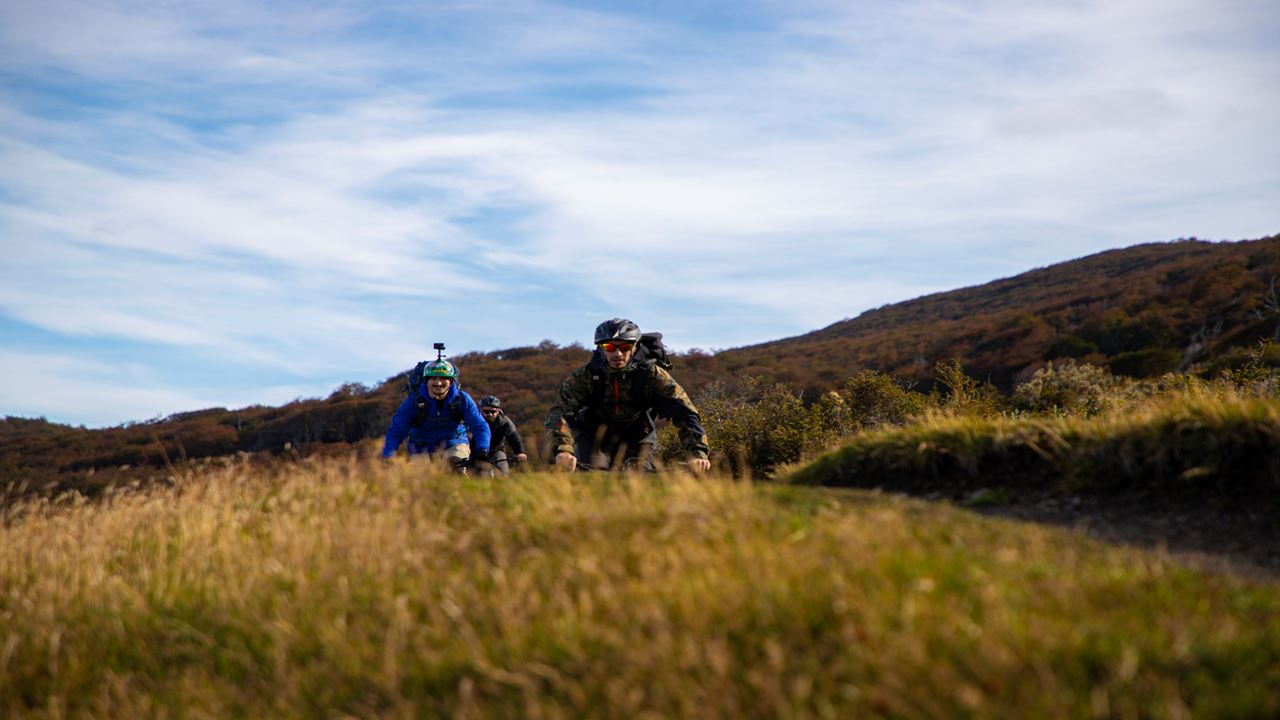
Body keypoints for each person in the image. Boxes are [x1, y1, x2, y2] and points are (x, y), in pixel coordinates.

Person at [545, 318, 711, 472]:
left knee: (638, 475)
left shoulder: (652, 375)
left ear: (635, 347)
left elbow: (685, 412)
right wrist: (563, 449)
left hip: (638, 435)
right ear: (600, 349)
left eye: (625, 347)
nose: (617, 354)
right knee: (594, 472)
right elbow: (560, 412)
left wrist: (698, 454)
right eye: (610, 347)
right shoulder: (584, 376)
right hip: (595, 435)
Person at [382, 357, 491, 471]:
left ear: (451, 381)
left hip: (454, 444)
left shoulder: (462, 399)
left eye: (443, 378)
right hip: (420, 448)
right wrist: (388, 455)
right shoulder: (414, 401)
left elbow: (479, 426)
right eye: (433, 378)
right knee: (421, 480)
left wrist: (482, 449)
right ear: (427, 381)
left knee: (454, 465)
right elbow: (396, 431)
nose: (438, 383)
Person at [472, 395, 528, 474]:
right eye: (486, 411)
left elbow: (513, 437)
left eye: (493, 412)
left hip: (496, 451)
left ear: (498, 411)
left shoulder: (504, 422)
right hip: (476, 452)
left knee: (503, 473)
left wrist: (519, 452)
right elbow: (466, 436)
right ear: (480, 410)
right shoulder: (473, 420)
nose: (490, 414)